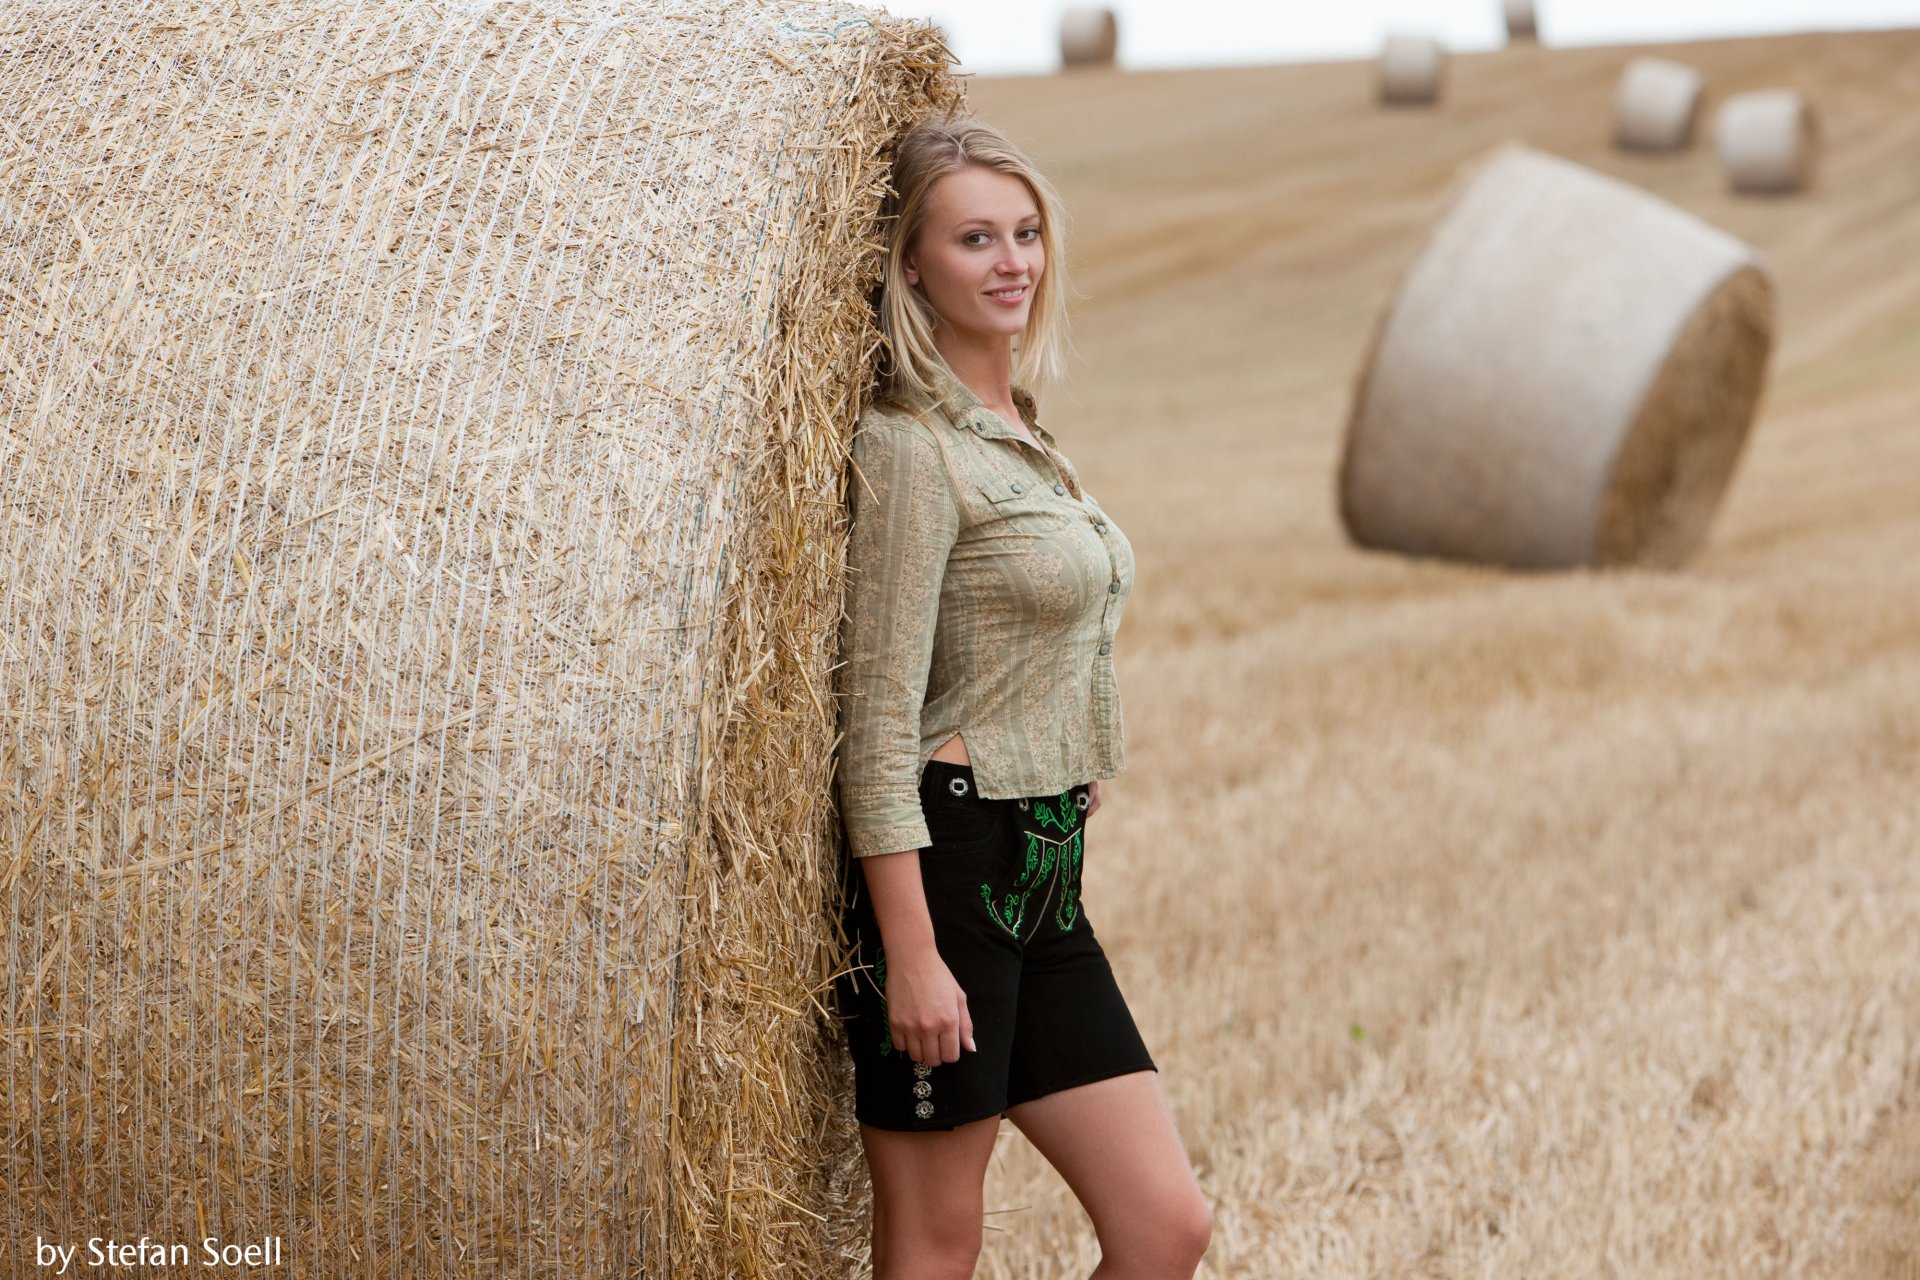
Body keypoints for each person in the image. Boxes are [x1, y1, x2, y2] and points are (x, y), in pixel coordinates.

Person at [832, 114, 1212, 1280]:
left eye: (1027, 232)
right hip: (948, 869)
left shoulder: (1021, 437)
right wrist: (912, 953)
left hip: (1046, 876)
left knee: (1164, 1226)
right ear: (911, 265)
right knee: (939, 1247)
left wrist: (1073, 744)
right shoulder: (910, 449)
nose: (1012, 261)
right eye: (974, 239)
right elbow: (877, 723)